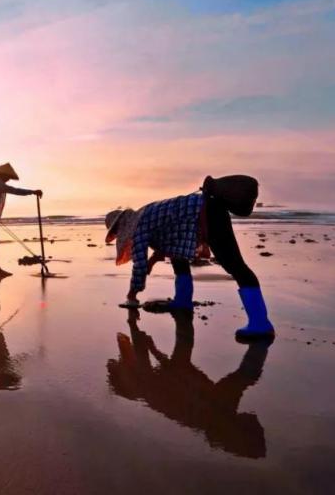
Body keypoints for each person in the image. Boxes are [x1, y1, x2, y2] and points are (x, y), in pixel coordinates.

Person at [104, 177, 274, 340]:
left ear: (121, 228)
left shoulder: (138, 226)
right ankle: (183, 302)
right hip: (207, 209)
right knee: (178, 258)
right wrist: (153, 261)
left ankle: (260, 324)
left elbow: (139, 266)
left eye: (117, 233)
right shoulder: (145, 214)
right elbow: (168, 243)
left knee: (235, 265)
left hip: (207, 213)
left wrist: (131, 295)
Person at [107, 309, 270, 458]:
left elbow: (170, 376)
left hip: (177, 387)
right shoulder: (210, 411)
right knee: (172, 360)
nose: (253, 415)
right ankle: (131, 341)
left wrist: (151, 348)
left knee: (167, 361)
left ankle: (131, 341)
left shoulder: (203, 412)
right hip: (182, 387)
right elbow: (171, 375)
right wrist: (152, 349)